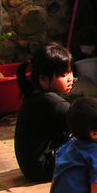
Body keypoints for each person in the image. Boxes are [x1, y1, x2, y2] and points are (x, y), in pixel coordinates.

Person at [13, 43, 74, 182]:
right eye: (63, 75)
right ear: (43, 79)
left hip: (31, 169)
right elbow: (82, 122)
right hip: (43, 169)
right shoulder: (52, 103)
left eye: (70, 72)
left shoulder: (35, 96)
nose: (70, 78)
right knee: (91, 133)